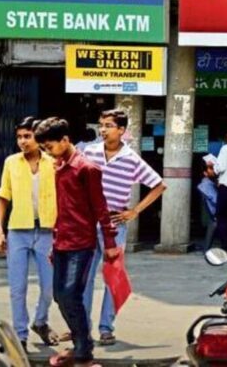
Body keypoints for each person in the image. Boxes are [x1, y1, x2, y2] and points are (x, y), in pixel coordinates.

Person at [35, 117, 118, 367]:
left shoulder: (87, 168)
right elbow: (62, 209)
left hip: (82, 243)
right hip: (61, 242)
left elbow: (100, 209)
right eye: (44, 149)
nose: (47, 153)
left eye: (50, 147)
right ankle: (80, 344)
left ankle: (84, 350)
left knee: (71, 295)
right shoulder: (57, 167)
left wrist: (111, 242)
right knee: (60, 296)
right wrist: (54, 241)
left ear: (65, 140)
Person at [81, 109, 166, 346]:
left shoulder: (131, 159)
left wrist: (134, 211)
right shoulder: (89, 153)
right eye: (102, 124)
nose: (103, 129)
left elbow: (159, 185)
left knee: (111, 278)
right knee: (85, 277)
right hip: (88, 224)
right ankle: (82, 327)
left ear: (121, 130)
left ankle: (106, 327)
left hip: (115, 226)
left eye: (108, 125)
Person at [0, 117, 60, 350]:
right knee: (17, 287)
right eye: (19, 137)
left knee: (50, 286)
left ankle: (40, 321)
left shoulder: (53, 163)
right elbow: (4, 195)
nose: (22, 141)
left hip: (47, 231)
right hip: (18, 230)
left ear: (38, 138)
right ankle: (20, 335)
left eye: (27, 136)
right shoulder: (11, 162)